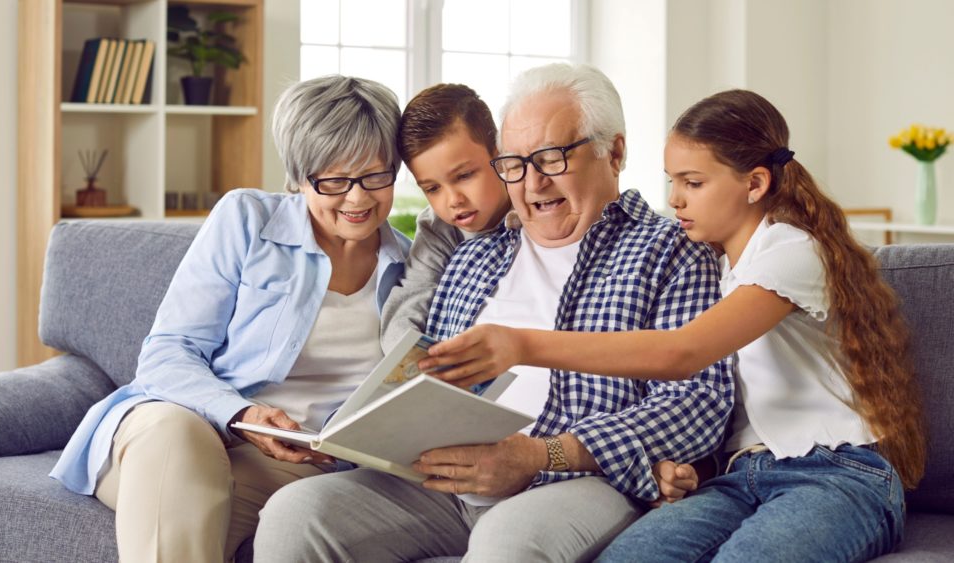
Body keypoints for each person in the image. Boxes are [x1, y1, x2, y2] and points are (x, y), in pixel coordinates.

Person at [252, 63, 735, 563]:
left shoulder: (672, 250)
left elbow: (699, 401)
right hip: (442, 479)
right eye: (516, 164)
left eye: (551, 158)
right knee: (297, 513)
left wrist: (537, 456)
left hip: (573, 481)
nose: (533, 183)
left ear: (614, 152)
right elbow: (423, 377)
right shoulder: (474, 253)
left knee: (506, 543)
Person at [426, 89, 927, 562]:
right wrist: (686, 471)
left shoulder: (791, 251)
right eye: (672, 181)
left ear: (755, 184)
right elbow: (730, 409)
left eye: (693, 183)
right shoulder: (718, 264)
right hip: (738, 475)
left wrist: (519, 344)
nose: (676, 200)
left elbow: (682, 354)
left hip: (836, 473)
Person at [50, 75, 411, 563]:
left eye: (375, 176)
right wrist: (240, 416)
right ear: (300, 177)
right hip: (182, 428)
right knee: (179, 440)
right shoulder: (247, 220)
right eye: (334, 181)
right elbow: (167, 353)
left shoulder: (411, 266)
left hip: (298, 467)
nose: (358, 199)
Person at [380, 83, 512, 352]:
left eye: (464, 176)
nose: (453, 201)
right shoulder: (437, 228)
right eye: (432, 188)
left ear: (500, 157)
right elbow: (410, 301)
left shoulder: (537, 209)